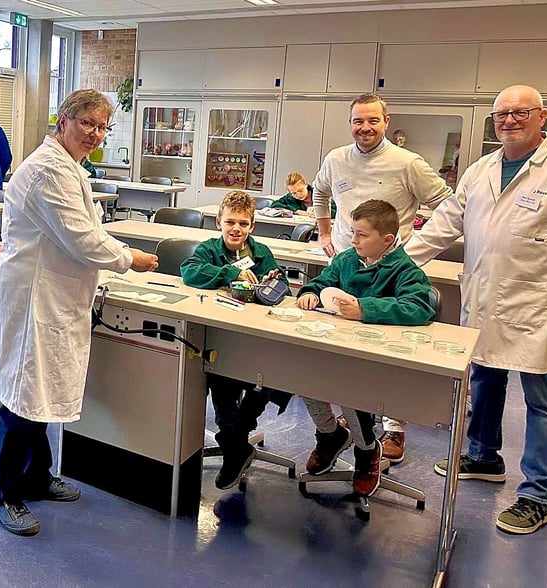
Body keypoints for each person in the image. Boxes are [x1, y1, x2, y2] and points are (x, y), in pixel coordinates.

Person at [407, 85, 547, 535]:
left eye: (519, 112)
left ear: (542, 116)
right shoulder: (481, 168)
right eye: (501, 114)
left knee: (543, 399)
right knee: (485, 378)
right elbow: (445, 223)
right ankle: (484, 455)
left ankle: (536, 495)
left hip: (543, 304)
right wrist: (395, 263)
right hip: (487, 298)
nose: (508, 120)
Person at [0, 89, 159, 537]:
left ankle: (37, 476)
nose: (94, 135)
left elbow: (83, 229)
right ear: (64, 120)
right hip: (35, 297)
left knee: (39, 391)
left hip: (54, 295)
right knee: (22, 394)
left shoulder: (67, 166)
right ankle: (3, 492)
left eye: (101, 127)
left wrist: (111, 254)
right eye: (86, 124)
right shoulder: (45, 171)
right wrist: (128, 258)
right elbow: (82, 238)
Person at [312, 93, 453, 464]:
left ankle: (393, 428)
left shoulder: (407, 163)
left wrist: (419, 246)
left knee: (388, 351)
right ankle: (354, 423)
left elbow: (448, 204)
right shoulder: (336, 159)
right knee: (341, 355)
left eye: (373, 120)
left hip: (389, 267)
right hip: (346, 265)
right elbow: (319, 192)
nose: (365, 128)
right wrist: (325, 234)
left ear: (386, 121)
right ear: (350, 123)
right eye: (358, 121)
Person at [297, 199, 435, 497]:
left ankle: (367, 450)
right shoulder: (347, 259)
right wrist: (309, 291)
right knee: (301, 376)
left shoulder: (404, 269)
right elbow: (323, 282)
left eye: (362, 235)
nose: (354, 239)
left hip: (377, 360)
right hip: (337, 348)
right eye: (353, 233)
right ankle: (329, 435)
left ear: (386, 240)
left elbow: (419, 306)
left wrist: (365, 309)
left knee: (350, 389)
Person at [179, 190, 291, 489]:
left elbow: (282, 290)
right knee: (222, 380)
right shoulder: (208, 249)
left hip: (258, 337)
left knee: (269, 376)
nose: (236, 229)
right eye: (230, 222)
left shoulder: (261, 253)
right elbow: (189, 272)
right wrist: (229, 273)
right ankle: (236, 446)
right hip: (222, 337)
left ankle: (234, 442)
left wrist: (271, 285)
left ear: (252, 226)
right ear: (218, 223)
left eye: (243, 224)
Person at [271, 171, 336, 218]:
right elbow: (275, 205)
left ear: (306, 185)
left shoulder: (319, 195)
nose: (298, 195)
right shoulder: (290, 197)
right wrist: (296, 211)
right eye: (294, 193)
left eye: (300, 190)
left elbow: (336, 211)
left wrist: (320, 212)